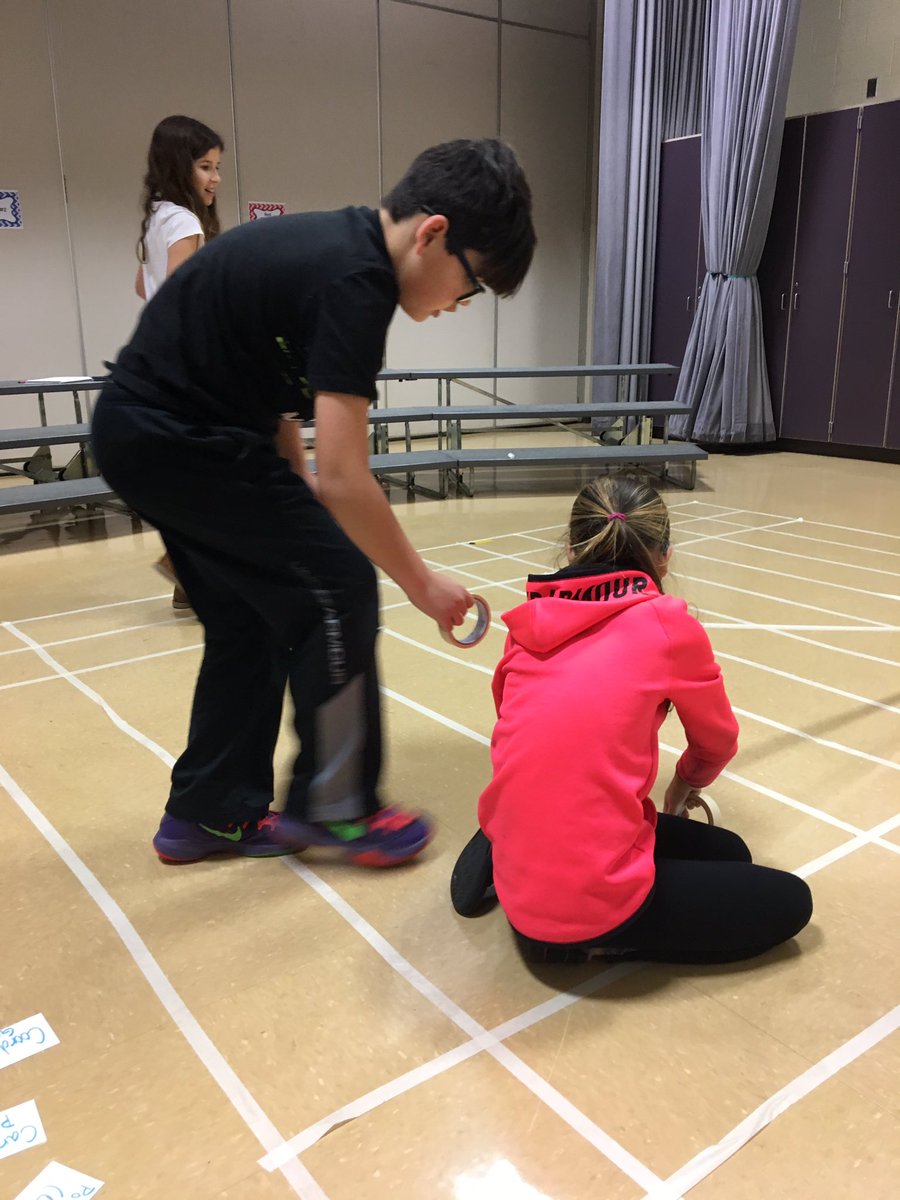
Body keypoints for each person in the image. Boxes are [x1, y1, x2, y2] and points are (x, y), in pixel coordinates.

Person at [92, 138, 536, 868]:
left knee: (252, 616)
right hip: (179, 439)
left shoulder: (341, 252)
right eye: (472, 285)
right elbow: (345, 478)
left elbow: (273, 399)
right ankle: (339, 808)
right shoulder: (358, 281)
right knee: (340, 587)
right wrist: (423, 585)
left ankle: (208, 812)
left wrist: (291, 489)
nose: (460, 305)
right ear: (434, 235)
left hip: (151, 434)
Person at [450, 473, 812, 964]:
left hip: (522, 862)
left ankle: (507, 842)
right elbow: (717, 742)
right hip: (589, 908)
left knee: (728, 851)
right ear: (663, 553)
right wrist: (684, 786)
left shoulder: (527, 623)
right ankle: (597, 925)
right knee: (792, 901)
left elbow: (520, 731)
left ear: (573, 550)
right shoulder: (668, 626)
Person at [134, 115, 225, 613]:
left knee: (202, 476)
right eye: (205, 167)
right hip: (188, 369)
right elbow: (176, 296)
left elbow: (141, 286)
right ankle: (185, 564)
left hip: (157, 368)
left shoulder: (157, 216)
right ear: (178, 165)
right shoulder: (185, 221)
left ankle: (187, 576)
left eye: (217, 167)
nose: (214, 178)